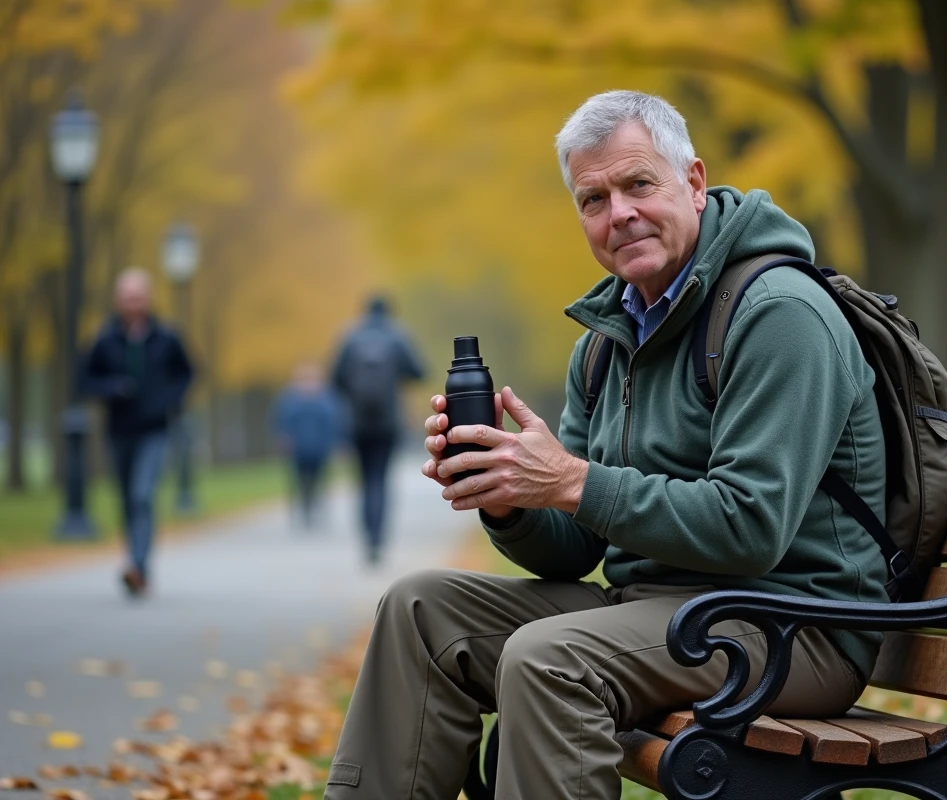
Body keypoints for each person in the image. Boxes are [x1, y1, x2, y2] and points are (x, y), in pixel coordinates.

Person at [324, 91, 890, 799]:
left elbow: (751, 526)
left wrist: (568, 481)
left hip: (793, 626)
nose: (618, 213)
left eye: (638, 185)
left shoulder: (778, 313)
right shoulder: (607, 340)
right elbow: (576, 549)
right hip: (658, 615)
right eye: (593, 199)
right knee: (420, 610)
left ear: (693, 180)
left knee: (547, 657)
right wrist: (510, 495)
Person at [81, 268, 194, 597]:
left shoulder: (167, 336)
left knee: (142, 494)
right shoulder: (104, 339)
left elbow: (188, 374)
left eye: (139, 296)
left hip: (155, 429)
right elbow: (84, 380)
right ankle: (136, 560)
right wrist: (111, 388)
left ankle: (137, 566)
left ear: (148, 298)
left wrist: (168, 402)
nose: (134, 302)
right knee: (127, 499)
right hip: (119, 430)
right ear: (118, 300)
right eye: (128, 297)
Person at [331, 295, 425, 563]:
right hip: (387, 422)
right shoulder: (398, 336)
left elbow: (335, 378)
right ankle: (378, 538)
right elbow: (419, 372)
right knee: (380, 479)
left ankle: (367, 537)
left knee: (362, 479)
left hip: (357, 422)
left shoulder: (350, 336)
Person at [273, 362, 342, 528]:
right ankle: (304, 508)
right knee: (300, 481)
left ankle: (317, 506)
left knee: (319, 479)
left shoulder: (327, 399)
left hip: (320, 449)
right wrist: (283, 437)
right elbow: (280, 421)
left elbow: (335, 423)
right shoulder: (289, 400)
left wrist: (337, 443)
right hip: (298, 449)